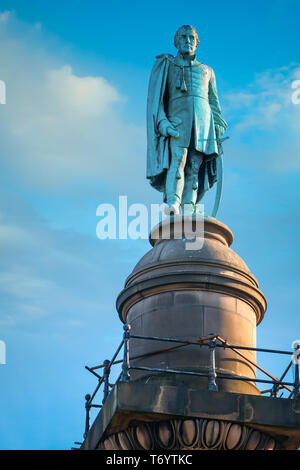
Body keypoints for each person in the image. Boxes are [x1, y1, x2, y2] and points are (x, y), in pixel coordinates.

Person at [147, 25, 227, 215]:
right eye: (183, 37)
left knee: (194, 165)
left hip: (203, 124)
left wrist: (218, 124)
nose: (187, 41)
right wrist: (163, 123)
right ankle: (173, 202)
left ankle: (189, 206)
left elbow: (214, 102)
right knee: (178, 160)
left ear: (197, 43)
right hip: (177, 121)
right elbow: (156, 99)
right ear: (176, 41)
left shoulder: (207, 70)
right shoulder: (167, 65)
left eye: (191, 38)